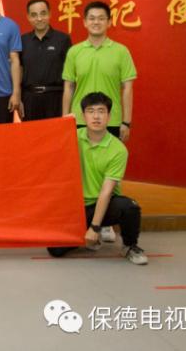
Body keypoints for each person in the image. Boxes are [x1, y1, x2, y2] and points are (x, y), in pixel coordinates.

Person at [46, 92, 147, 265]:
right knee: (55, 250)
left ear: (109, 116)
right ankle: (88, 236)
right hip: (75, 206)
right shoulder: (72, 136)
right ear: (83, 116)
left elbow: (106, 192)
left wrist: (95, 227)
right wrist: (61, 126)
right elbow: (45, 147)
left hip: (104, 205)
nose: (96, 116)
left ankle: (130, 246)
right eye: (90, 111)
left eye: (101, 111)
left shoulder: (118, 150)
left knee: (129, 207)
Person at [62, 1, 136, 141]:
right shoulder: (74, 52)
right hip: (80, 119)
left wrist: (126, 122)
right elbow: (69, 87)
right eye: (92, 18)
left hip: (111, 120)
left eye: (101, 18)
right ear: (85, 22)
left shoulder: (121, 51)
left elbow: (127, 88)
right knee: (80, 156)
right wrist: (65, 119)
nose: (96, 22)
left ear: (109, 22)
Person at [20, 0, 72, 121]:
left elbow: (70, 76)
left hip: (56, 98)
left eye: (43, 13)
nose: (39, 18)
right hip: (29, 100)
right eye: (34, 15)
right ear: (28, 17)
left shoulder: (63, 39)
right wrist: (19, 98)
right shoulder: (22, 41)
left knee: (56, 133)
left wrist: (68, 106)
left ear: (50, 14)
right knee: (32, 133)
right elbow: (19, 70)